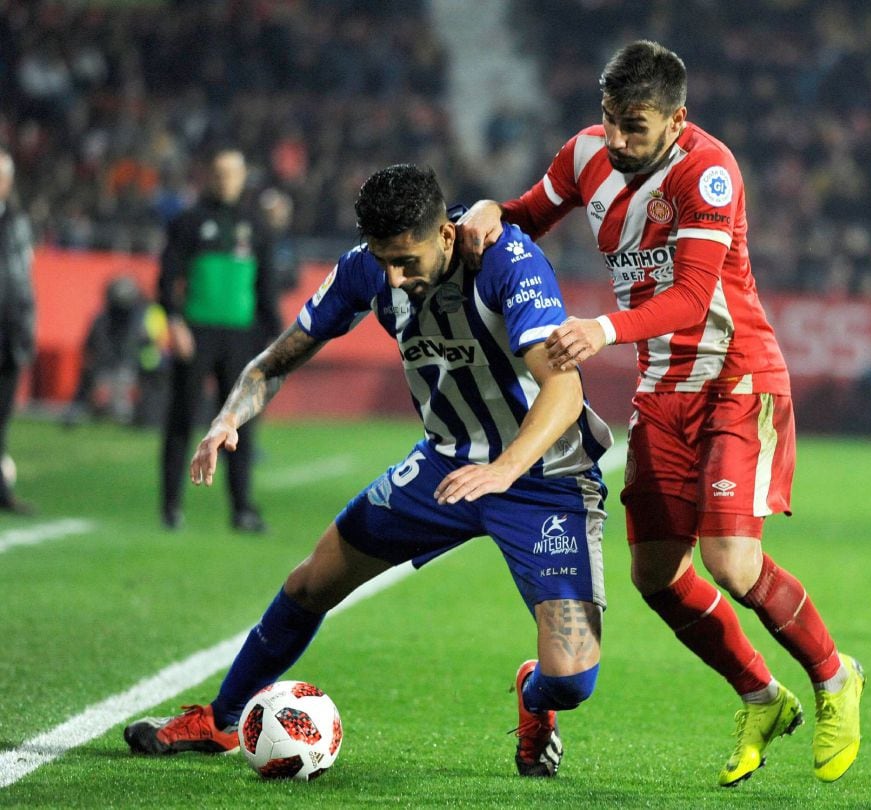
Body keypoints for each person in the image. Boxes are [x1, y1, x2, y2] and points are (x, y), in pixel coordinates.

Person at [459, 40, 864, 786]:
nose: (617, 140)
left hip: (736, 380)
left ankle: (837, 678)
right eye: (609, 119)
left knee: (729, 562)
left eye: (635, 126)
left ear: (678, 119)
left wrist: (602, 328)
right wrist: (490, 210)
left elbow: (688, 295)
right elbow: (525, 215)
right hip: (663, 390)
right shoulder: (586, 154)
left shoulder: (707, 172)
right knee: (655, 573)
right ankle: (759, 695)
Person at [124, 164, 612, 778]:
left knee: (571, 679)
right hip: (443, 464)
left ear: (445, 234)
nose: (394, 279)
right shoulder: (365, 268)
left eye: (406, 261)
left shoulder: (505, 260)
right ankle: (221, 720)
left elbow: (562, 392)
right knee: (311, 583)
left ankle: (535, 698)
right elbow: (275, 360)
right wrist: (228, 417)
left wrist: (506, 468)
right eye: (383, 261)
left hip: (544, 476)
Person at [158, 148, 280, 532]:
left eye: (233, 173)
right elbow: (165, 280)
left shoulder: (257, 228)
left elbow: (267, 290)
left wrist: (270, 342)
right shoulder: (187, 222)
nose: (226, 180)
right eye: (219, 173)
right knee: (182, 418)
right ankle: (171, 506)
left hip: (241, 339)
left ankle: (242, 509)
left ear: (243, 177)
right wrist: (175, 323)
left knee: (239, 425)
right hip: (196, 334)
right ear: (208, 175)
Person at [64, 276, 168, 428]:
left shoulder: (147, 315)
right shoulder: (102, 321)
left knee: (126, 404)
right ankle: (82, 409)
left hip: (141, 370)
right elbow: (91, 350)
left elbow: (157, 346)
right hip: (110, 370)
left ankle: (136, 412)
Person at [0, 147, 36, 515]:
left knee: (2, 417)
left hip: (9, 333)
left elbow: (25, 282)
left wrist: (26, 329)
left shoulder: (19, 224)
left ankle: (1, 491)